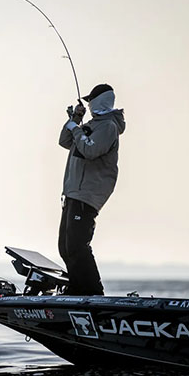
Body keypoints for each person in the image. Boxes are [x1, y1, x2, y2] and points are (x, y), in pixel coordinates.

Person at [58, 84, 126, 295]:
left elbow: (90, 150)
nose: (87, 105)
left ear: (99, 101)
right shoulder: (91, 125)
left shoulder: (108, 127)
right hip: (72, 193)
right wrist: (74, 120)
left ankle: (93, 292)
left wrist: (76, 129)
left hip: (88, 194)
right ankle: (77, 289)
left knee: (78, 245)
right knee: (65, 247)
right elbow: (65, 141)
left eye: (90, 101)